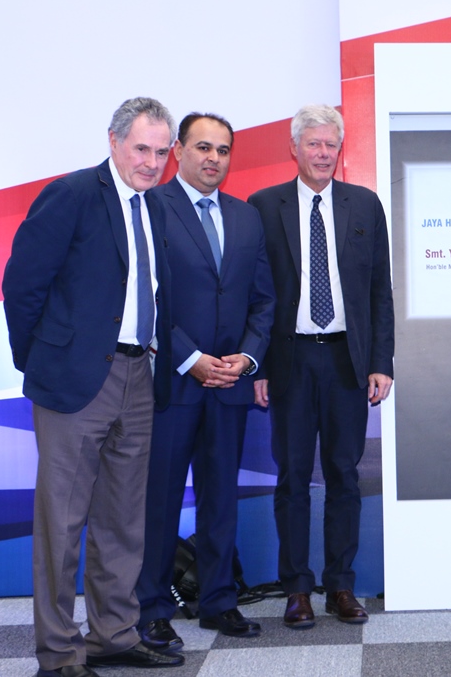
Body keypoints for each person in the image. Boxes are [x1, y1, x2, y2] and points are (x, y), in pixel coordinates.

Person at [2, 97, 184, 676]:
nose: (152, 162)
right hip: (75, 382)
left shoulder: (156, 207)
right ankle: (58, 653)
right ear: (113, 141)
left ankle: (113, 634)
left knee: (123, 519)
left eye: (161, 152)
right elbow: (22, 285)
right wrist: (40, 361)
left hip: (138, 376)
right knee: (62, 524)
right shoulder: (73, 194)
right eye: (141, 149)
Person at [247, 104, 394, 628]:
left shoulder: (365, 204)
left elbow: (379, 290)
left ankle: (340, 585)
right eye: (313, 143)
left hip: (345, 360)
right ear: (294, 148)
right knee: (291, 477)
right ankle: (297, 589)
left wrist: (381, 361)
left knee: (343, 476)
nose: (323, 153)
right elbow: (254, 293)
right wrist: (258, 365)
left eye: (331, 144)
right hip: (289, 358)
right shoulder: (264, 206)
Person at [135, 113, 276, 650]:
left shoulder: (246, 217)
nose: (213, 158)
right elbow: (145, 296)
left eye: (222, 150)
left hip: (230, 386)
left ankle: (219, 600)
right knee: (161, 501)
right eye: (202, 147)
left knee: (220, 498)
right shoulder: (151, 207)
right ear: (178, 150)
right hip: (172, 386)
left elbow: (263, 299)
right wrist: (190, 357)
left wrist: (248, 357)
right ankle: (152, 608)